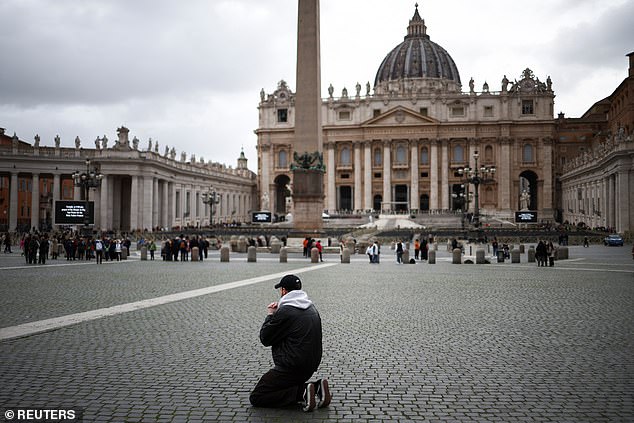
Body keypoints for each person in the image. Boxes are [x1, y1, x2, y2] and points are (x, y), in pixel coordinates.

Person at [250, 275, 331, 412]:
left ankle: (304, 392)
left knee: (258, 396)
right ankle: (317, 388)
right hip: (309, 366)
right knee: (281, 386)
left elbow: (265, 338)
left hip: (290, 367)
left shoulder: (286, 311)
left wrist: (270, 315)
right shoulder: (311, 308)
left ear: (284, 291)